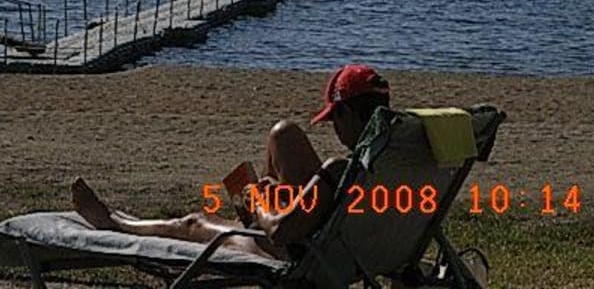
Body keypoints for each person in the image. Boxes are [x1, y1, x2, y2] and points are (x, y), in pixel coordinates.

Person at [71, 64, 391, 259]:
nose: (335, 128)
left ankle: (114, 223)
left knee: (192, 222)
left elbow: (280, 233)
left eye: (335, 119)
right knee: (284, 134)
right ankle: (257, 214)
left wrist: (259, 200)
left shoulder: (339, 169)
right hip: (345, 241)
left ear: (347, 113)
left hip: (301, 252)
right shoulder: (398, 164)